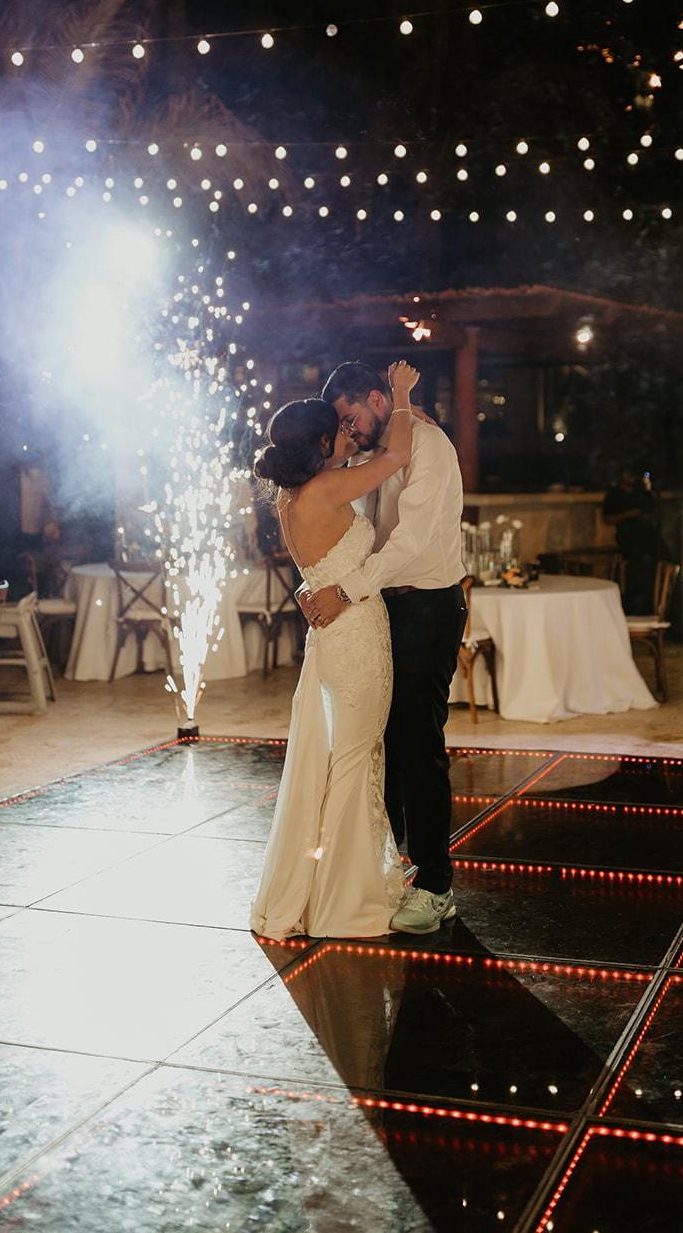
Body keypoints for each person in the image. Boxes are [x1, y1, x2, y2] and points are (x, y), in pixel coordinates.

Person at [249, 361, 420, 940]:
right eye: (337, 430)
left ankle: (332, 888)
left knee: (345, 759)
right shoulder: (326, 488)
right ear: (322, 442)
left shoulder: (291, 496)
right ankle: (345, 900)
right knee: (354, 761)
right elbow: (395, 457)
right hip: (355, 638)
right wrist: (398, 395)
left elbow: (316, 565)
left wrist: (343, 445)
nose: (347, 435)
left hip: (330, 640)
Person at [300, 360, 466, 937]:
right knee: (378, 741)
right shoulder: (372, 452)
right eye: (342, 426)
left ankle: (437, 886)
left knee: (419, 744)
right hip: (379, 609)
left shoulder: (430, 446)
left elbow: (410, 542)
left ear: (376, 398)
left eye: (352, 418)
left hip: (426, 605)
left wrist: (344, 589)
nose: (351, 432)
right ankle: (394, 869)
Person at [601, 469, 675, 614]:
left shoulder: (640, 492)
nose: (632, 478)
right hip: (629, 539)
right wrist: (629, 514)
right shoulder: (615, 494)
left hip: (648, 537)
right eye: (629, 474)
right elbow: (607, 518)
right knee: (636, 574)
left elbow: (652, 508)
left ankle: (662, 608)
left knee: (662, 564)